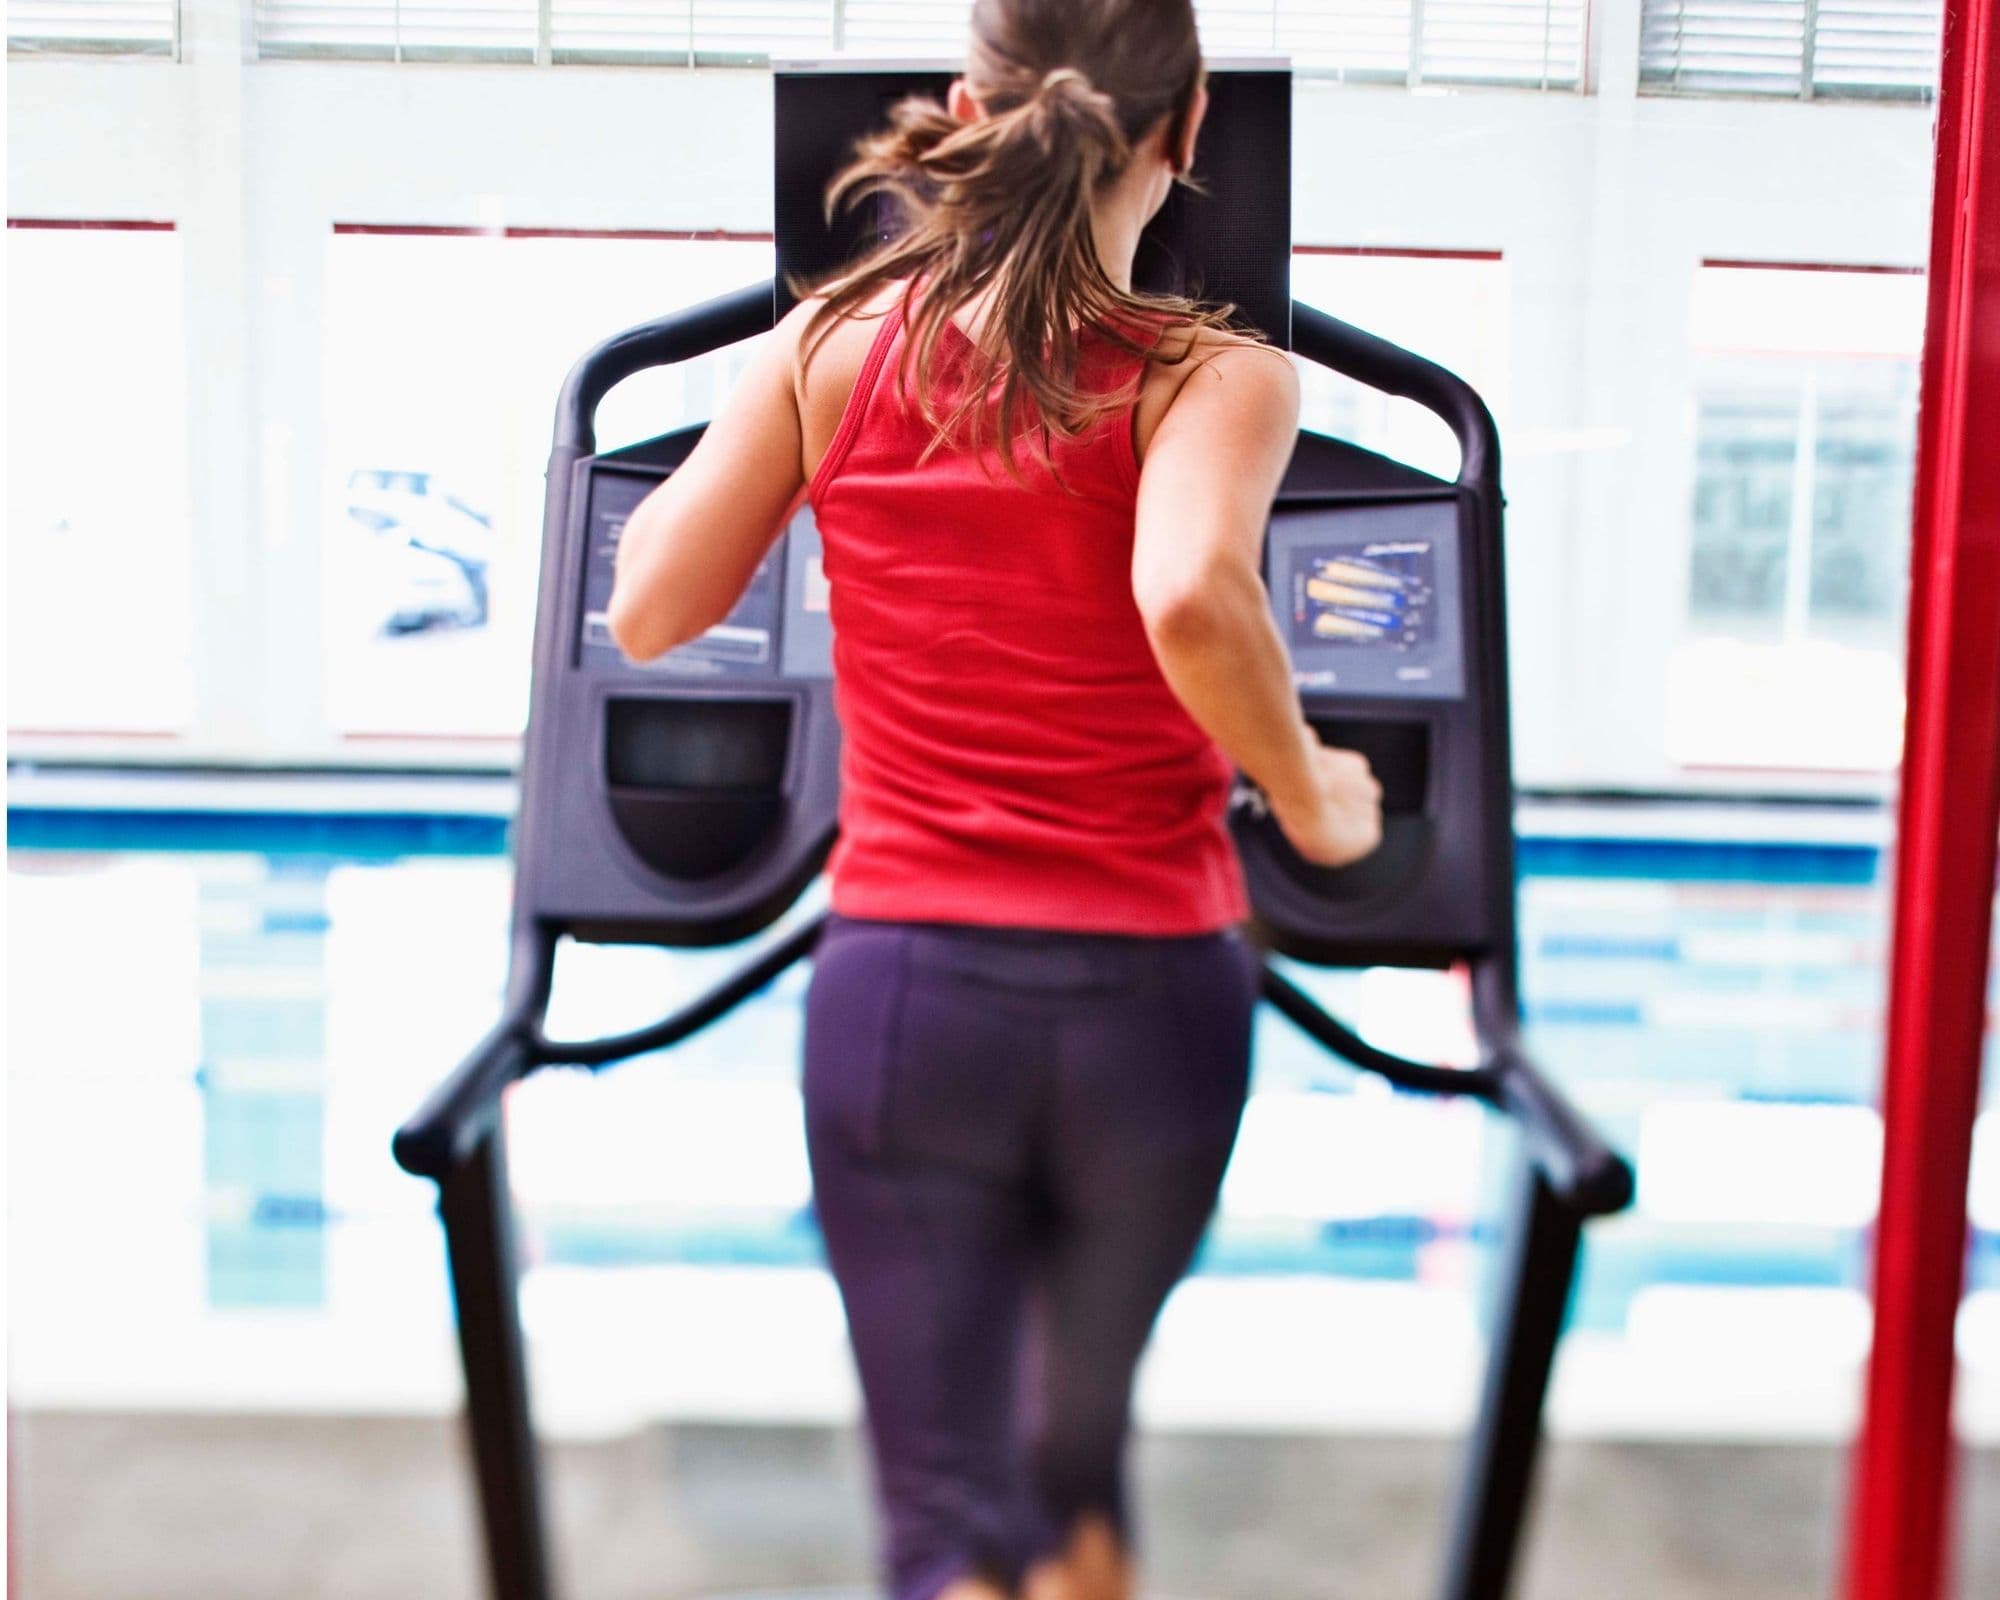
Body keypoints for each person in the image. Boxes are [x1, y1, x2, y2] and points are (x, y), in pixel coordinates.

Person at [606, 4, 1383, 1594]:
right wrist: (1315, 798)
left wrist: (805, 384)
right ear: (1189, 128)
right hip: (1149, 1000)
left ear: (970, 108)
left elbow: (650, 606)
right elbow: (1189, 596)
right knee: (1073, 1482)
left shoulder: (830, 346)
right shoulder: (1214, 378)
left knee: (946, 1518)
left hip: (909, 1002)